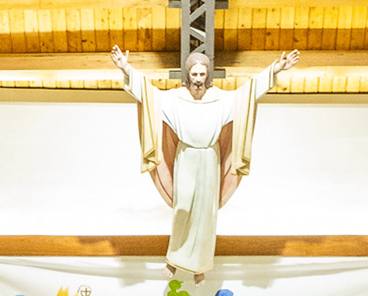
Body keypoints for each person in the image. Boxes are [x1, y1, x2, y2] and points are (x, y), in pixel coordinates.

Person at [110, 45, 298, 282]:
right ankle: (174, 259)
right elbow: (148, 94)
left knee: (206, 213)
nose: (198, 79)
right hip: (186, 156)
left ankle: (200, 265)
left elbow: (249, 92)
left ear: (207, 74)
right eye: (194, 74)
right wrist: (125, 68)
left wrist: (276, 69)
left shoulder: (222, 99)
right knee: (183, 208)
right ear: (187, 74)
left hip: (210, 158)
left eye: (202, 74)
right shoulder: (174, 99)